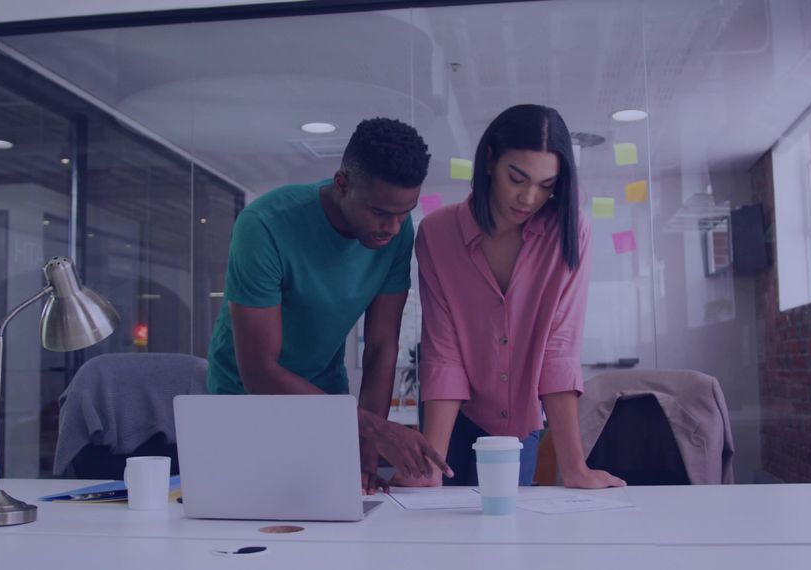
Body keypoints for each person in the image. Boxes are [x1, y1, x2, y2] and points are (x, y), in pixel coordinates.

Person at [207, 117, 452, 493]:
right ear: (342, 185)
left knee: (334, 529)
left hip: (327, 401)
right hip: (246, 402)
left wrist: (368, 445)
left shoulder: (397, 232)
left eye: (405, 212)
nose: (392, 227)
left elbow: (382, 347)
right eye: (381, 212)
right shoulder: (264, 226)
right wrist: (373, 428)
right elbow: (259, 371)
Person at [400, 104, 626, 489]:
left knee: (503, 530)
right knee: (434, 520)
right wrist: (430, 466)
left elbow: (558, 348)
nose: (529, 198)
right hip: (449, 416)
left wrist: (575, 467)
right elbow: (443, 349)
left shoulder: (569, 233)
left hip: (519, 421)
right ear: (490, 161)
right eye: (517, 178)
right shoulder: (437, 233)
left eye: (546, 185)